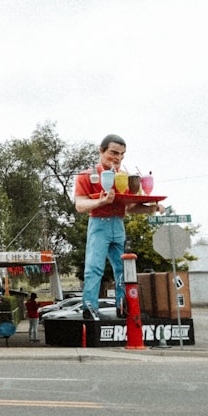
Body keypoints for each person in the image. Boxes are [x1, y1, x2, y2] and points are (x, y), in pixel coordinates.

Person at [74, 134, 164, 320]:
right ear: (101, 150)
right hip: (99, 224)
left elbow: (131, 207)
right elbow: (80, 205)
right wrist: (102, 201)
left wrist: (153, 207)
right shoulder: (87, 175)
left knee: (123, 268)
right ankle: (89, 307)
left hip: (118, 224)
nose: (118, 158)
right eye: (114, 153)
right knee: (94, 267)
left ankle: (124, 306)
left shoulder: (125, 176)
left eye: (122, 154)